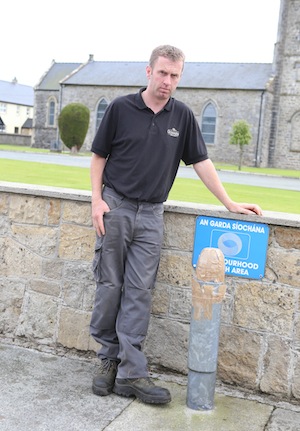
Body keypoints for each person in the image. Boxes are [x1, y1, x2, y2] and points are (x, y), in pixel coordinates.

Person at [89, 45, 262, 405]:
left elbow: (201, 162)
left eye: (175, 76)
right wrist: (96, 200)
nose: (168, 82)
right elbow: (98, 157)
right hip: (116, 206)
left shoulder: (181, 116)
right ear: (148, 71)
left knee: (139, 291)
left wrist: (228, 202)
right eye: (163, 73)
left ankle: (130, 373)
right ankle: (107, 358)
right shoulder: (121, 108)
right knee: (110, 285)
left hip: (152, 214)